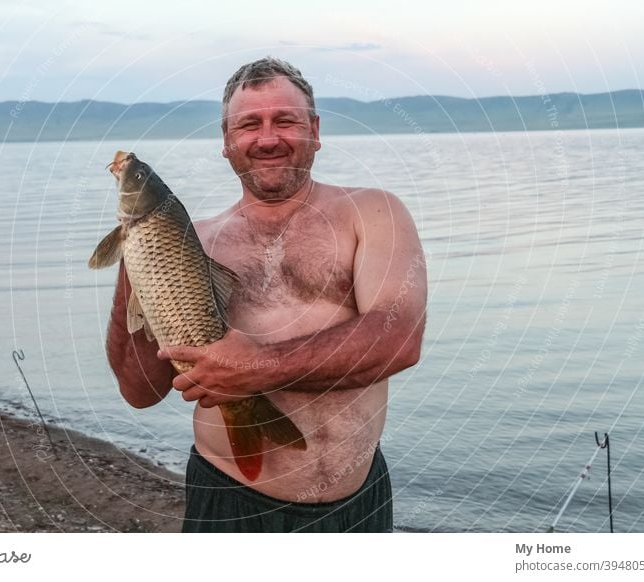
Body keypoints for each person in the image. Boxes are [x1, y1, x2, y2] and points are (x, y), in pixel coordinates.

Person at [106, 57, 427, 532]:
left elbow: (398, 338)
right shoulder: (194, 242)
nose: (268, 138)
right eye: (249, 124)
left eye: (286, 120)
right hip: (228, 498)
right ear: (226, 142)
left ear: (315, 131)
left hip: (357, 502)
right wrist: (141, 258)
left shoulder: (371, 212)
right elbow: (139, 391)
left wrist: (257, 367)